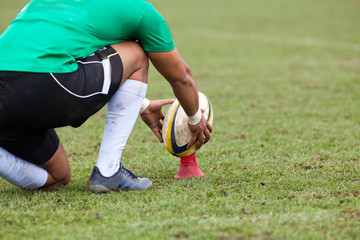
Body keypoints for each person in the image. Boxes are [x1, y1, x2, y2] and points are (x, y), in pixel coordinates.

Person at [0, 0, 212, 193]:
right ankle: (108, 171)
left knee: (58, 176)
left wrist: (141, 104)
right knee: (136, 53)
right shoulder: (139, 10)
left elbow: (69, 51)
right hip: (46, 83)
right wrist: (194, 119)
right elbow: (181, 77)